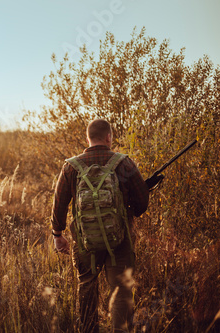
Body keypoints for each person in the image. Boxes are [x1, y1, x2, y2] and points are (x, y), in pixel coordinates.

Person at [50, 119, 150, 332]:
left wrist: (57, 234)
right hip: (120, 242)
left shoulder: (71, 166)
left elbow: (59, 203)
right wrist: (128, 209)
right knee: (122, 291)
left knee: (87, 287)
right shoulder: (124, 163)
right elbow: (142, 204)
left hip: (85, 242)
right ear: (109, 137)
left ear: (87, 138)